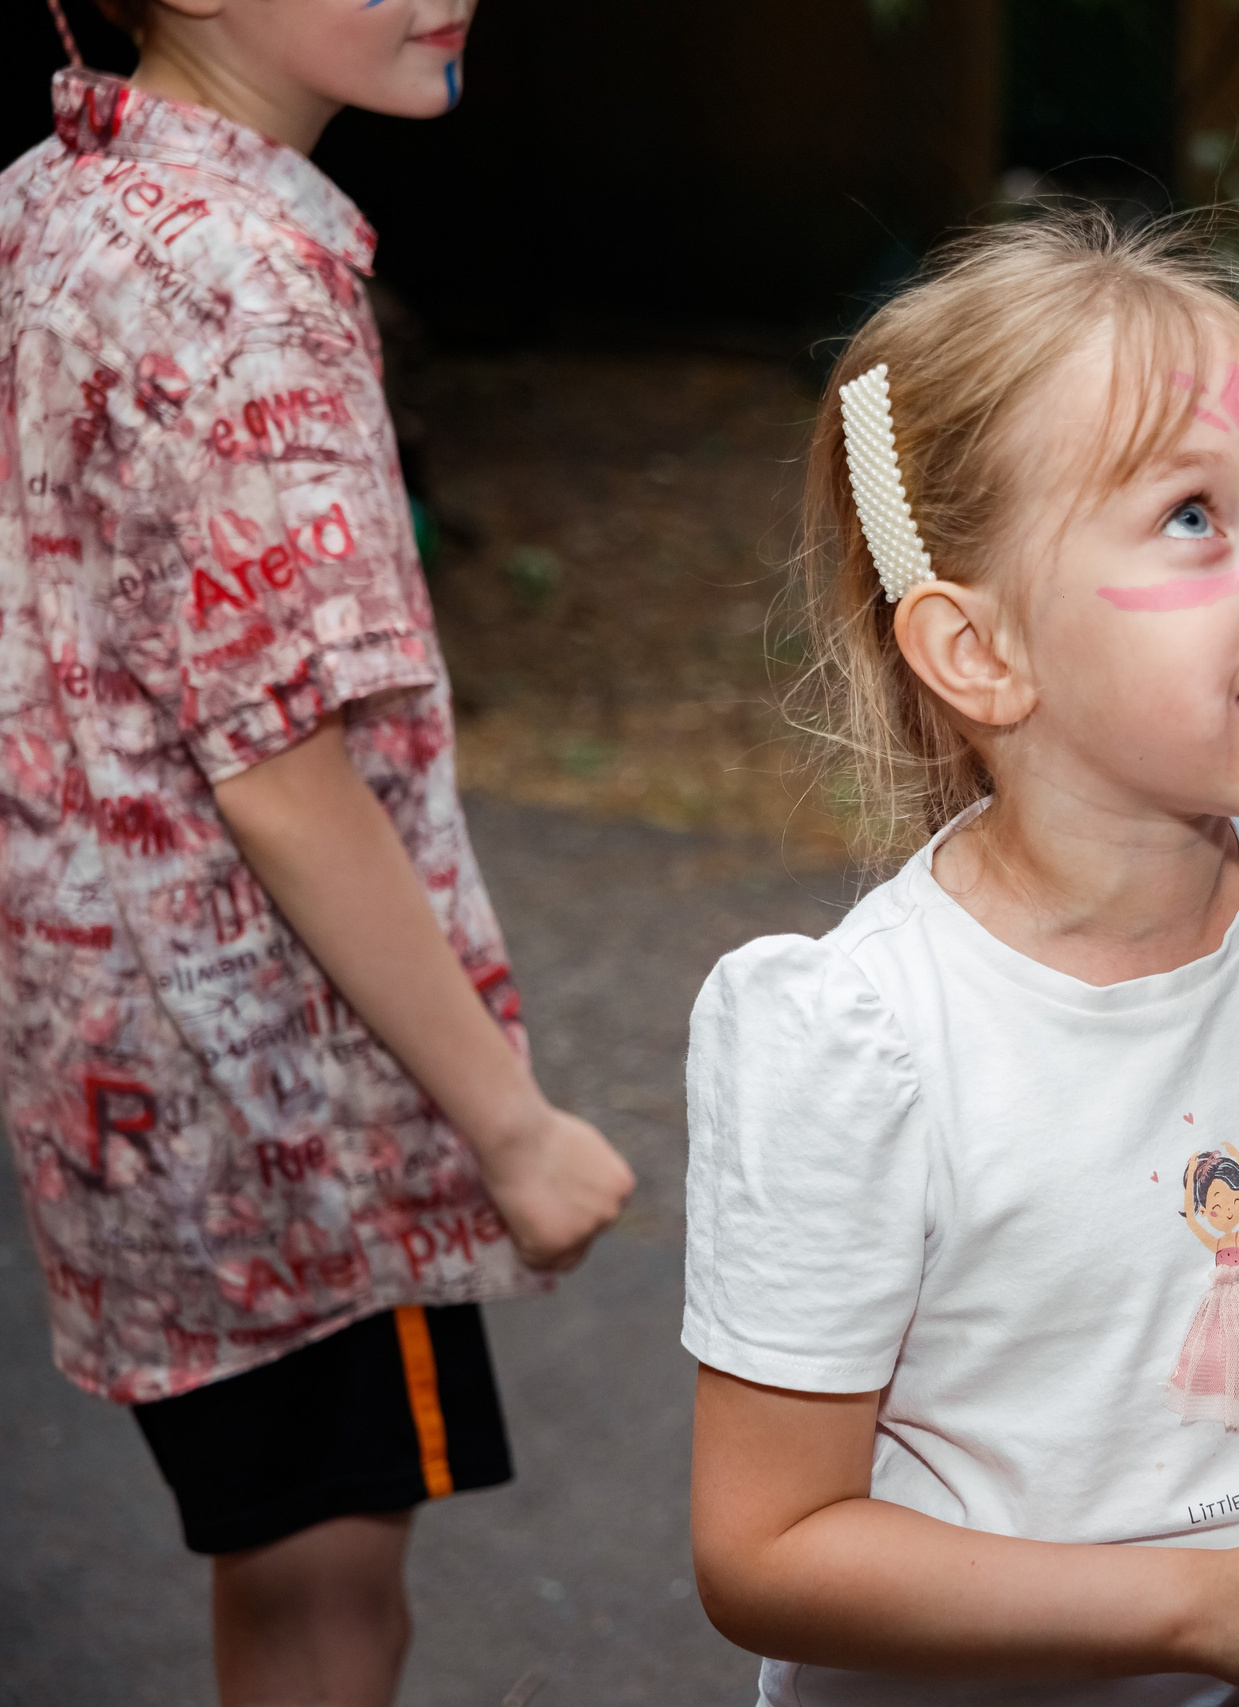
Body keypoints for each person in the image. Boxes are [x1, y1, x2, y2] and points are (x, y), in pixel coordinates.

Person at [681, 212, 1239, 1707]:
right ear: (980, 652)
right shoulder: (861, 1040)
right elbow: (768, 1548)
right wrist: (1211, 1609)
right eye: (1194, 522)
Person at [0, 5, 634, 1706]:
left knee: (280, 1584)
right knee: (336, 1608)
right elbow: (281, 771)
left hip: (117, 1075)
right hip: (291, 1100)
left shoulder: (58, 204)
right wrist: (510, 1126)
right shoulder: (248, 280)